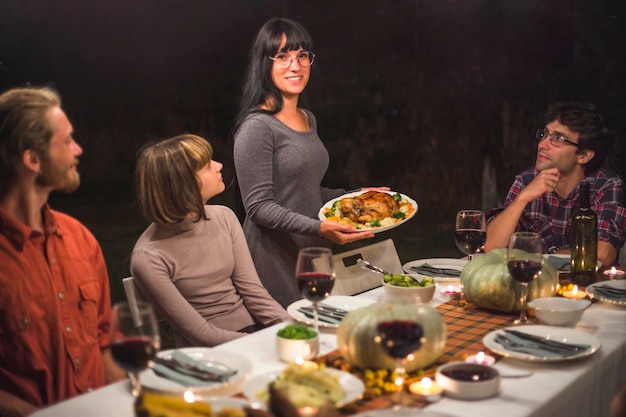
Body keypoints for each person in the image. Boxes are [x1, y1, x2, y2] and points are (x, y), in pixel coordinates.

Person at [232, 17, 381, 307]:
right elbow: (259, 207)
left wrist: (358, 195)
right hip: (272, 259)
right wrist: (319, 227)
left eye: (302, 55)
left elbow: (307, 190)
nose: (295, 65)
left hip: (311, 252)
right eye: (283, 56)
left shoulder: (307, 118)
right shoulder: (257, 127)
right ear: (265, 64)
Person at [0, 86, 123, 416]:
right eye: (67, 141)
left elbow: (101, 336)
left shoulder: (80, 239)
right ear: (33, 159)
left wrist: (128, 397)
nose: (78, 150)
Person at [130, 134, 291, 347]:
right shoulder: (149, 257)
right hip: (210, 354)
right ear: (182, 184)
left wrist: (291, 329)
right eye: (206, 166)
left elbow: (255, 295)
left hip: (255, 335)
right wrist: (264, 343)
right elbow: (201, 334)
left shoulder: (224, 217)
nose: (219, 166)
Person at [484, 102, 626, 266]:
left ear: (584, 156)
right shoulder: (527, 181)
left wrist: (548, 254)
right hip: (534, 285)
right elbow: (490, 247)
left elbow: (603, 253)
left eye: (557, 139)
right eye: (545, 135)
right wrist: (522, 198)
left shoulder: (606, 185)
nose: (542, 144)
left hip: (587, 286)